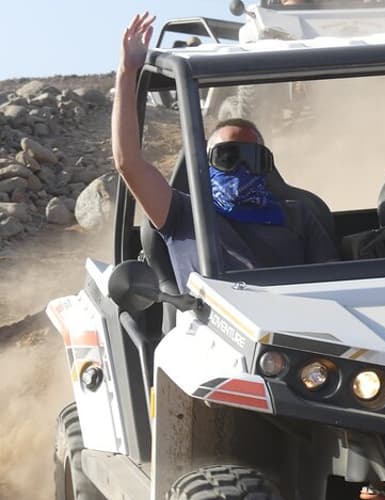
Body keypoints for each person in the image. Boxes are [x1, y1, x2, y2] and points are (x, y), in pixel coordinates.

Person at [112, 13, 337, 291]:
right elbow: (128, 163)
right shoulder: (182, 213)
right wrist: (127, 72)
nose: (241, 167)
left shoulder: (298, 215)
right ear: (207, 164)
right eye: (227, 156)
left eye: (251, 157)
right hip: (210, 327)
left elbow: (329, 282)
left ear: (266, 165)